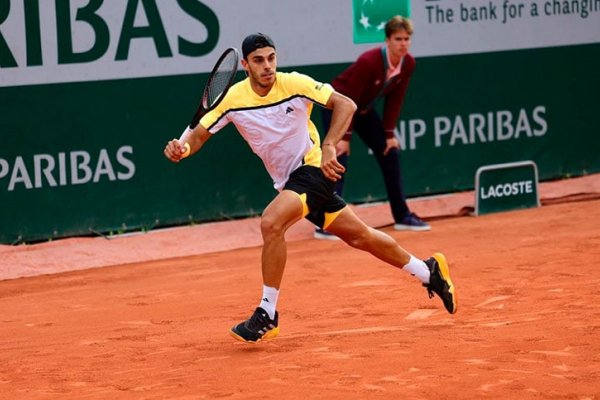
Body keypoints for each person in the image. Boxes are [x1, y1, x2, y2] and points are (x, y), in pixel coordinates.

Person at [163, 33, 457, 344]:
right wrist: (182, 150)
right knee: (361, 236)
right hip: (288, 182)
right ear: (246, 65)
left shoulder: (293, 83)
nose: (268, 66)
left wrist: (330, 145)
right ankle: (428, 271)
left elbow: (346, 103)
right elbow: (197, 136)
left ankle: (267, 314)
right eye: (259, 60)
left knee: (271, 222)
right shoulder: (233, 99)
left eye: (272, 58)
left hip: (315, 168)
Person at [315, 16, 429, 241]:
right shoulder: (369, 61)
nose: (403, 44)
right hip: (337, 106)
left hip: (363, 110)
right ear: (387, 40)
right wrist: (344, 138)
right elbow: (349, 99)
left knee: (390, 152)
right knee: (338, 157)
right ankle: (326, 221)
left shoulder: (408, 63)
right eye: (398, 39)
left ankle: (402, 216)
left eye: (407, 39)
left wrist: (388, 134)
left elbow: (396, 99)